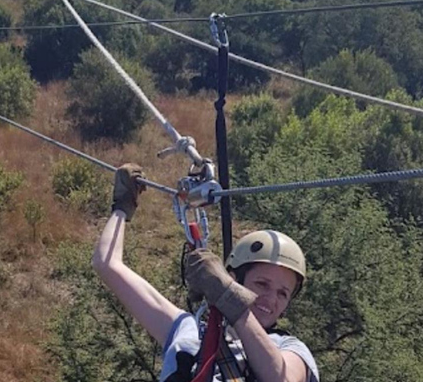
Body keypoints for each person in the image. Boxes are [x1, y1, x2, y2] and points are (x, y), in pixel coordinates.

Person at [93, 164, 320, 382]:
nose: (271, 299)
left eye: (283, 293)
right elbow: (107, 264)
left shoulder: (290, 348)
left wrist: (230, 298)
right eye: (262, 284)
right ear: (233, 279)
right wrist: (122, 208)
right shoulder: (188, 330)